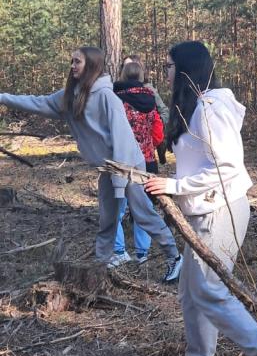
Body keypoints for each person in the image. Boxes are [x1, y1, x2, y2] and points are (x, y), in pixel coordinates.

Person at [144, 40, 257, 356]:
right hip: (204, 211)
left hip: (220, 211)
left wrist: (175, 186)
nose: (165, 72)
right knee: (191, 291)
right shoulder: (197, 106)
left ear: (186, 69)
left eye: (169, 66)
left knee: (210, 291)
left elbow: (227, 166)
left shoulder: (211, 108)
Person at [0, 46, 182, 281]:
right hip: (108, 167)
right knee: (108, 218)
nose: (72, 66)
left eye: (77, 61)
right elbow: (38, 102)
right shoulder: (71, 95)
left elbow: (123, 140)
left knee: (143, 214)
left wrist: (120, 184)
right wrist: (3, 97)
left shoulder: (107, 96)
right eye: (72, 61)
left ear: (92, 65)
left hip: (128, 166)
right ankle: (101, 265)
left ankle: (174, 257)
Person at [110, 61, 166, 267]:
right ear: (142, 76)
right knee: (143, 208)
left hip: (121, 160)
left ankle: (118, 251)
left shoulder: (116, 99)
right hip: (146, 161)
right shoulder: (151, 99)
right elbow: (158, 133)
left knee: (116, 208)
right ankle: (143, 253)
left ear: (123, 76)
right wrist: (149, 144)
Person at [122, 54, 169, 163]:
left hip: (146, 153)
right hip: (125, 152)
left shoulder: (148, 89)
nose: (128, 69)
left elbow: (164, 112)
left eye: (131, 66)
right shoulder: (120, 91)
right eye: (124, 66)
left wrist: (152, 128)